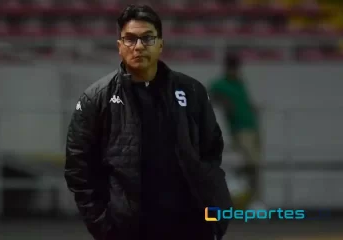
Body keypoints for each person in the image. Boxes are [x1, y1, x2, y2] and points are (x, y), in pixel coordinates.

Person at [65, 5, 232, 240]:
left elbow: (211, 152)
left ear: (160, 44)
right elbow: (79, 169)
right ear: (119, 46)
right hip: (129, 229)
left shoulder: (191, 91)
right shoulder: (96, 98)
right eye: (130, 39)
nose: (139, 46)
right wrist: (103, 226)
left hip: (191, 226)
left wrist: (216, 212)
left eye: (147, 38)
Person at [207, 53, 263, 209]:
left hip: (252, 126)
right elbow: (208, 96)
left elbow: (245, 102)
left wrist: (254, 109)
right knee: (250, 163)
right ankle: (244, 196)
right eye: (233, 68)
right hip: (239, 128)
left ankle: (254, 200)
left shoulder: (240, 83)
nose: (236, 71)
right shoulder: (220, 84)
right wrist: (224, 102)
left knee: (256, 165)